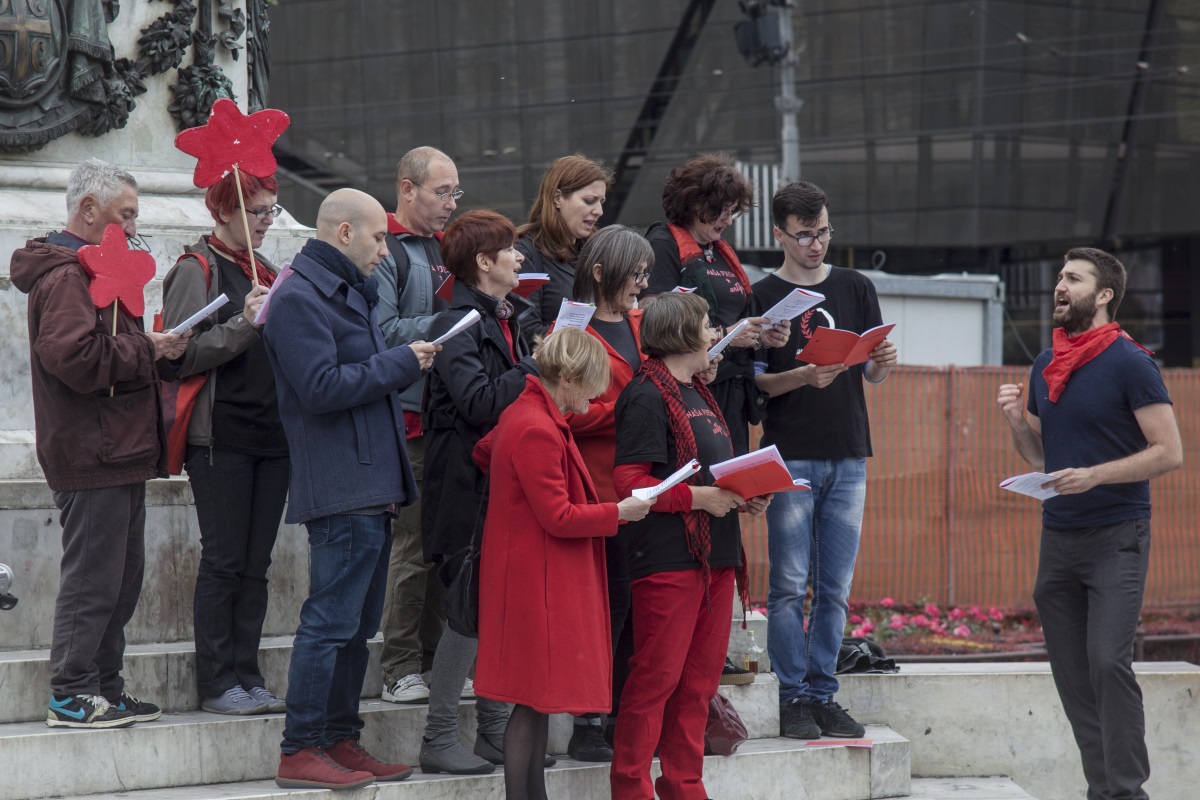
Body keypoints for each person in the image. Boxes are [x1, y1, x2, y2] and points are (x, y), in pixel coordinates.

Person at [263, 188, 439, 790]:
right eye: (378, 238)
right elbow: (319, 387)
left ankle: (339, 737)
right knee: (330, 623)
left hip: (372, 480)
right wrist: (401, 362)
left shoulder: (341, 290)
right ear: (343, 233)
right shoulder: (299, 297)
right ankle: (300, 747)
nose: (386, 252)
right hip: (342, 482)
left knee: (358, 625)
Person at [11, 158, 190, 728]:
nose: (134, 227)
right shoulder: (65, 275)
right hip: (91, 449)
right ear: (88, 210)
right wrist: (150, 350)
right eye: (126, 214)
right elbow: (72, 357)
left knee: (122, 577)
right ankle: (71, 691)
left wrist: (149, 347)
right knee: (94, 577)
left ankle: (104, 688)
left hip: (119, 446)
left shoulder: (93, 267)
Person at [997, 248, 1181, 800]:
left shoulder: (1130, 362)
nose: (1060, 285)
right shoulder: (1045, 362)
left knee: (1107, 663)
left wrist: (1095, 476)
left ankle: (1127, 793)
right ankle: (1101, 790)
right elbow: (1038, 457)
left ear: (1103, 296)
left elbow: (1169, 452)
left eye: (1073, 279)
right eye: (1059, 276)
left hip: (1117, 536)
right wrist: (1014, 420)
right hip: (1058, 540)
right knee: (1074, 678)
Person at [473, 327, 653, 800]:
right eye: (593, 385)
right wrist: (620, 511)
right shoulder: (537, 425)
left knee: (535, 701)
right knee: (532, 703)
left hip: (532, 573)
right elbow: (558, 515)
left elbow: (485, 451)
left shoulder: (530, 413)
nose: (597, 398)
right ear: (568, 379)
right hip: (535, 580)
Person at [609, 292, 770, 800]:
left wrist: (742, 497)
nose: (712, 333)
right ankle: (631, 787)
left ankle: (683, 784)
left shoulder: (699, 392)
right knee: (655, 681)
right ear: (680, 334)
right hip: (667, 558)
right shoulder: (646, 395)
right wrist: (701, 497)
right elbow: (631, 483)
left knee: (698, 684)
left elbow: (712, 473)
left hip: (716, 556)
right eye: (705, 325)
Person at [752, 180, 896, 740]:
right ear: (780, 234)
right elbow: (756, 385)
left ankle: (823, 693)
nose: (816, 244)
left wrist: (882, 360)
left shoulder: (855, 286)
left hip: (849, 452)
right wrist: (805, 376)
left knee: (834, 586)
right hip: (790, 454)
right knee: (788, 583)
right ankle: (793, 697)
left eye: (824, 232)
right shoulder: (762, 295)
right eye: (805, 234)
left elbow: (873, 375)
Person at [162, 170, 289, 716]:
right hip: (221, 438)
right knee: (224, 561)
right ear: (224, 212)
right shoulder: (198, 268)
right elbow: (179, 353)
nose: (266, 221)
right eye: (257, 211)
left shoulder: (268, 270)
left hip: (272, 436)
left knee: (256, 564)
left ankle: (248, 673)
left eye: (272, 211)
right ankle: (218, 682)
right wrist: (246, 323)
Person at [419, 210, 540, 775]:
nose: (521, 258)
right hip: (464, 485)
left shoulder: (504, 315)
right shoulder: (460, 323)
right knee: (467, 611)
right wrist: (537, 365)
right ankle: (439, 736)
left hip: (493, 481)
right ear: (484, 263)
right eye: (511, 251)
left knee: (494, 607)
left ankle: (492, 730)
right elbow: (480, 403)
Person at [564, 225, 652, 761]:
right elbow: (565, 407)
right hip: (599, 490)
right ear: (600, 273)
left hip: (646, 487)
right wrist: (623, 408)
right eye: (634, 274)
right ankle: (588, 720)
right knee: (606, 609)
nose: (641, 284)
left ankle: (624, 713)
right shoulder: (573, 329)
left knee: (637, 608)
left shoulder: (644, 324)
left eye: (645, 274)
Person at [375, 146, 459, 706]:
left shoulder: (449, 248)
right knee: (410, 544)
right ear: (406, 189)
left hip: (449, 417)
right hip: (406, 421)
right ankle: (399, 664)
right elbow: (382, 331)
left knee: (444, 545)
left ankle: (435, 660)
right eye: (440, 192)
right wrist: (453, 322)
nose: (450, 204)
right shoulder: (385, 250)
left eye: (456, 194)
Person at [642, 153, 789, 457]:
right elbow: (650, 320)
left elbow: (735, 319)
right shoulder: (664, 243)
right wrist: (726, 334)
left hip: (731, 388)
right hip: (691, 388)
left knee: (729, 488)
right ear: (694, 203)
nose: (728, 219)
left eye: (733, 211)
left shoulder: (719, 250)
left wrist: (761, 336)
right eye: (721, 209)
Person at [516, 154, 611, 339]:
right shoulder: (524, 254)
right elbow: (526, 333)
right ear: (558, 198)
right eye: (590, 201)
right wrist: (592, 340)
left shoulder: (597, 252)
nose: (599, 211)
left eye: (601, 202)